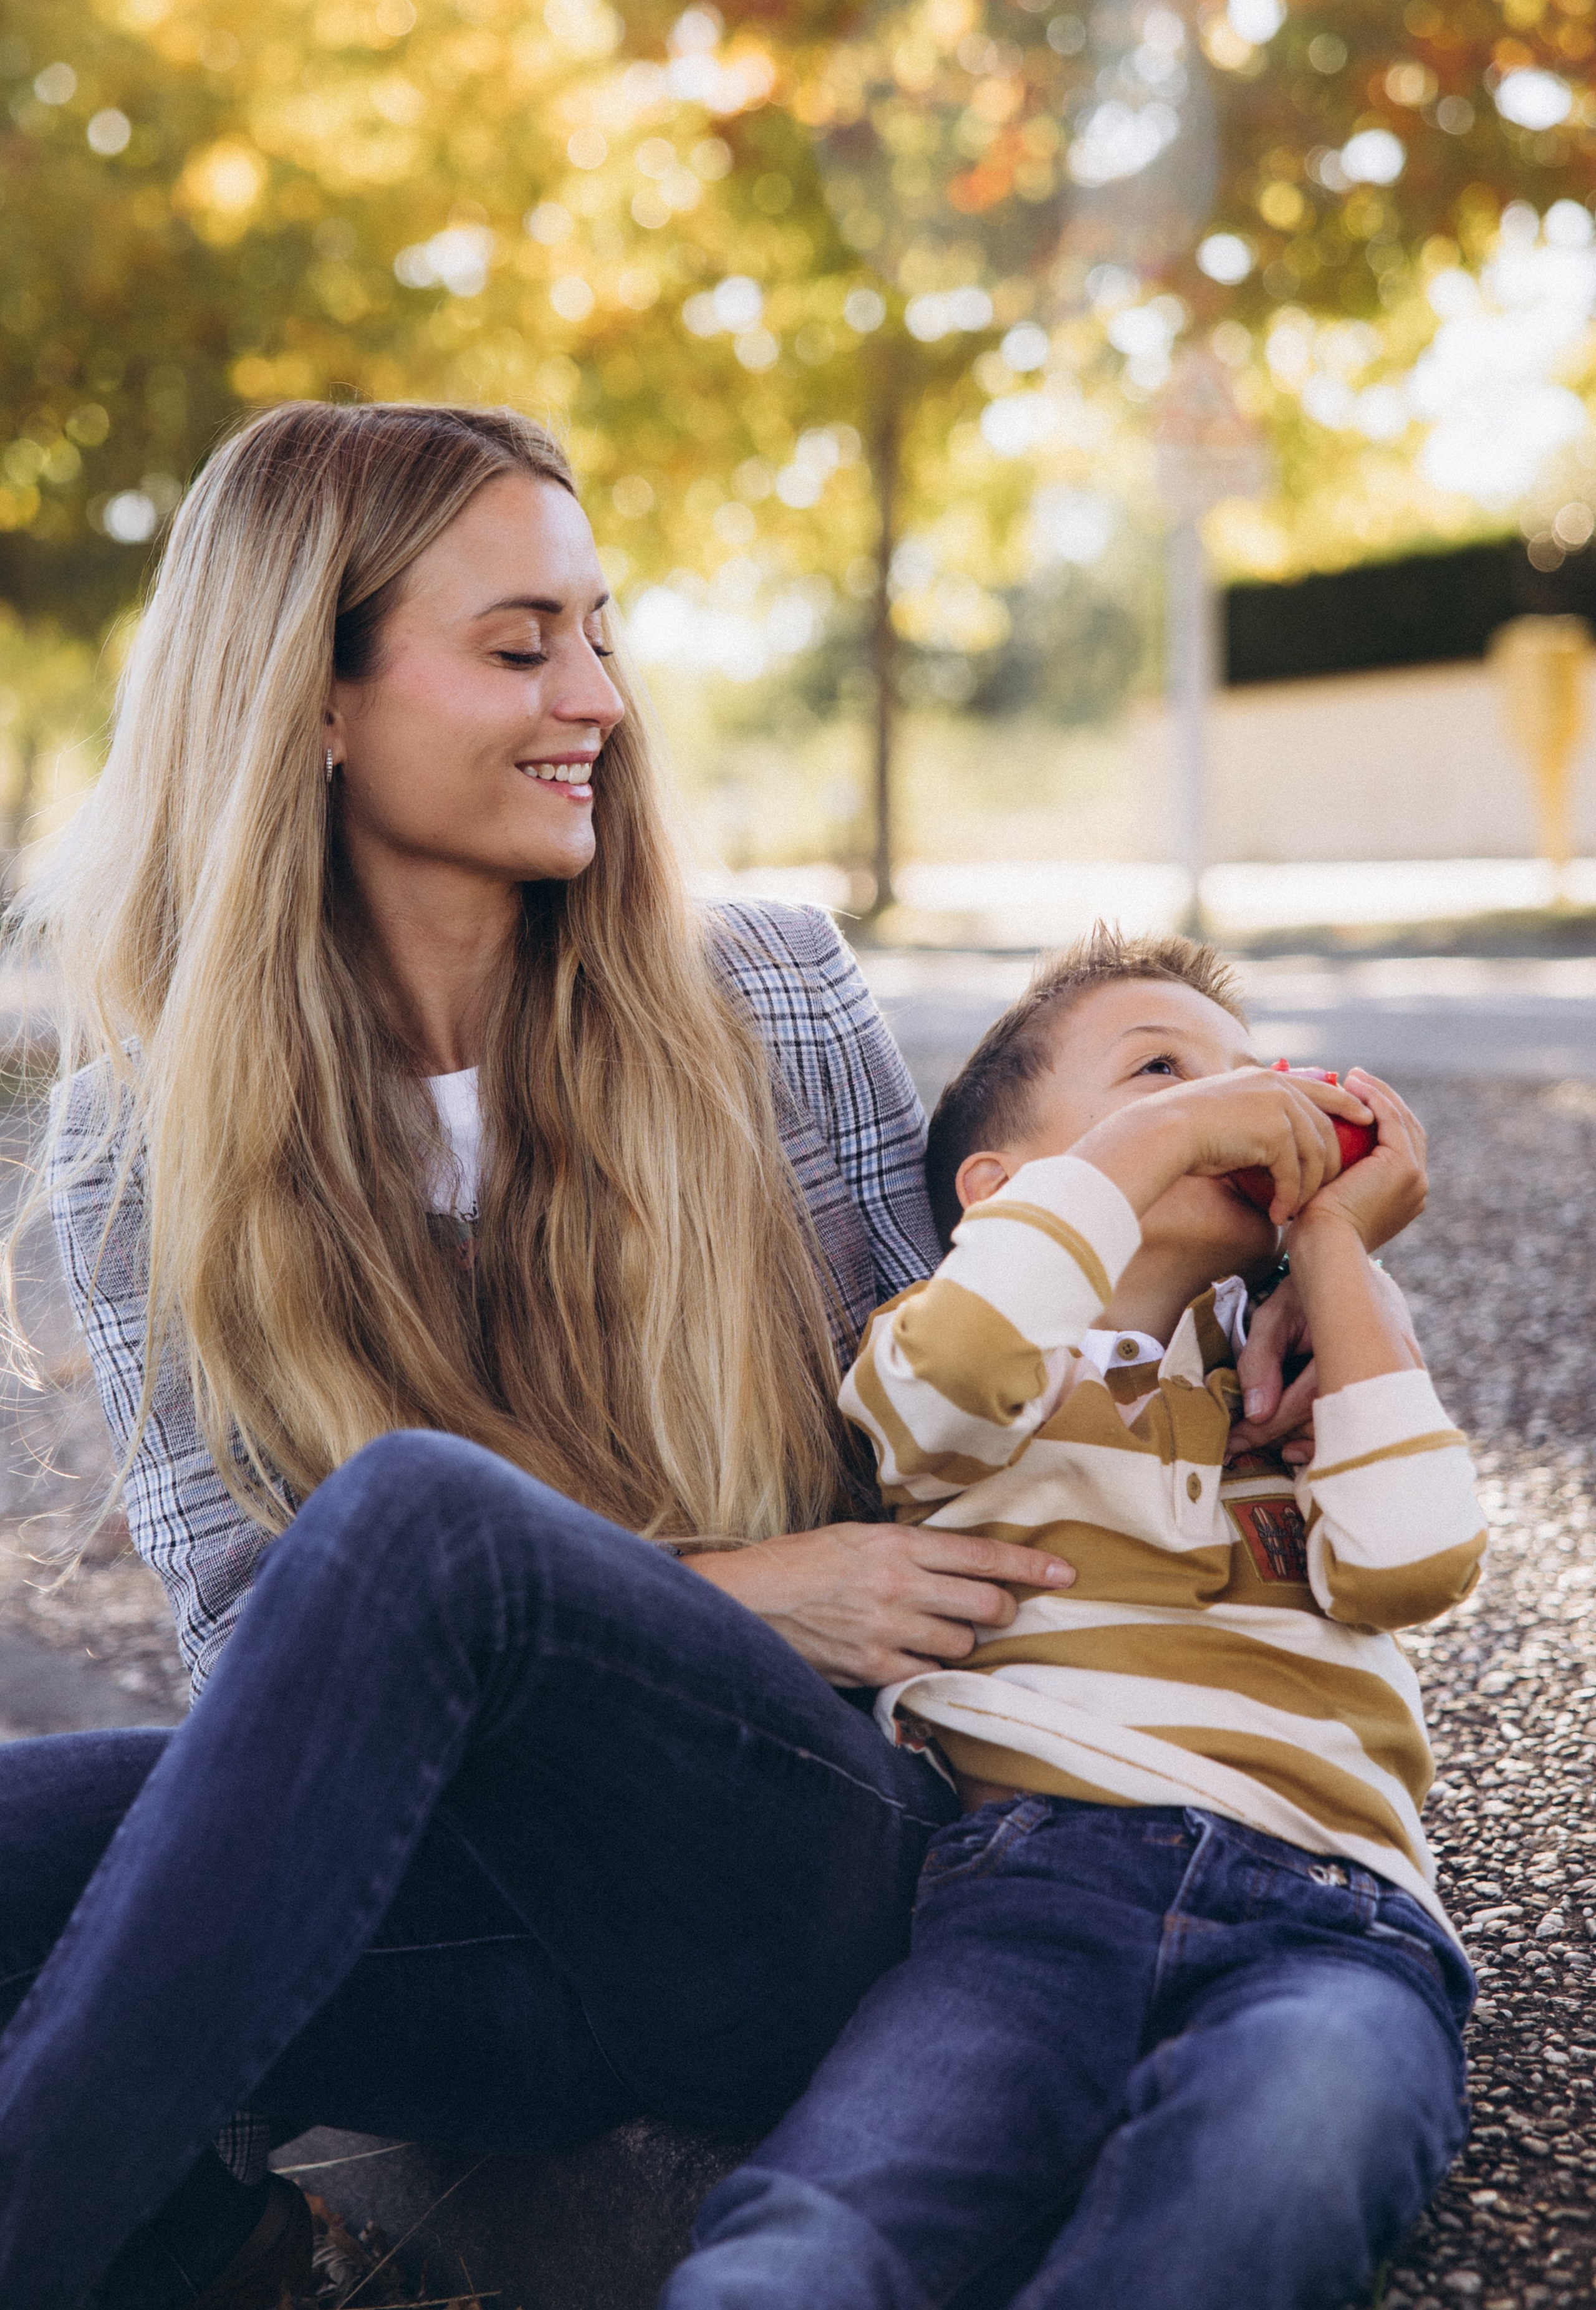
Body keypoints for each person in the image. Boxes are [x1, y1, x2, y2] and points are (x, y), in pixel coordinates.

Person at [0, 401, 1096, 2310]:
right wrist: (752, 1586)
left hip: (794, 1879)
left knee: (418, 1519)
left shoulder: (768, 993)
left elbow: (959, 1457)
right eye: (521, 646)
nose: (596, 695)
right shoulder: (143, 1143)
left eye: (599, 631)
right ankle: (228, 2253)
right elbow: (269, 1672)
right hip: (487, 1950)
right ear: (311, 700)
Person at [661, 931, 1483, 2310]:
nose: (1236, 1100)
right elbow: (962, 1360)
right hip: (1032, 1900)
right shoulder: (955, 1365)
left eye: (1246, 1073)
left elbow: (1414, 1559)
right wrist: (1168, 1138)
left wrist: (1336, 1250)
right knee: (818, 2227)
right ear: (1000, 1193)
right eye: (1158, 1070)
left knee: (1275, 2167)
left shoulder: (1295, 1388)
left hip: (1334, 1924)